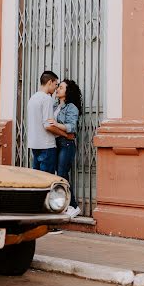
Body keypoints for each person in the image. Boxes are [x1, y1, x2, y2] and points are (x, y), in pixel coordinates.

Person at [48, 79, 82, 218]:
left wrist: (56, 124)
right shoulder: (55, 106)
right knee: (59, 175)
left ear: (67, 91)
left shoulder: (71, 107)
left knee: (62, 174)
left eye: (61, 87)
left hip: (66, 144)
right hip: (56, 143)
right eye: (58, 87)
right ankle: (64, 205)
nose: (57, 89)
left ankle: (73, 206)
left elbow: (72, 127)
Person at [27, 71, 71, 174]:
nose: (56, 88)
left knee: (38, 180)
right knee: (48, 181)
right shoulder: (46, 99)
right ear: (50, 82)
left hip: (35, 145)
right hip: (46, 146)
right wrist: (65, 135)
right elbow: (48, 126)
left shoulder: (32, 98)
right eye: (56, 84)